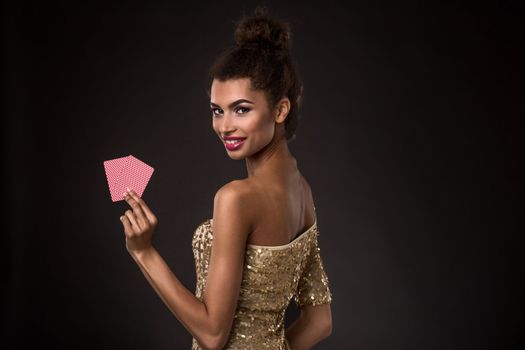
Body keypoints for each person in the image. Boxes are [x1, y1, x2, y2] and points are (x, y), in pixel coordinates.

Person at [119, 5, 333, 349]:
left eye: (242, 109)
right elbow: (320, 322)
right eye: (217, 111)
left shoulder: (236, 197)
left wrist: (143, 252)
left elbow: (212, 334)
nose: (225, 126)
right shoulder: (302, 192)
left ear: (280, 109)